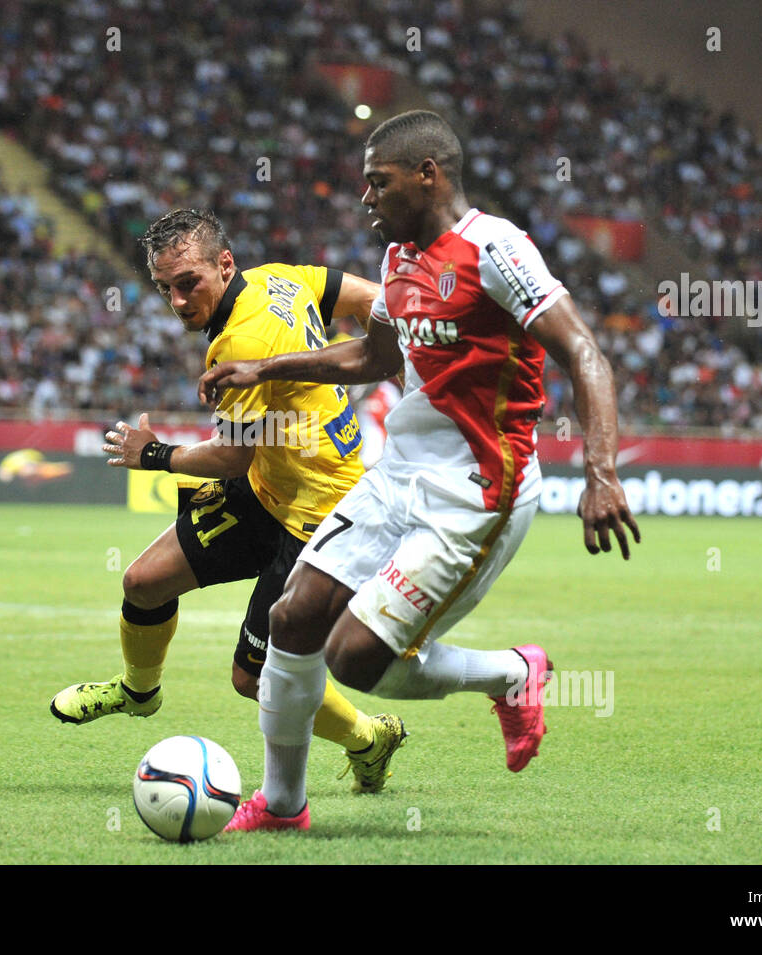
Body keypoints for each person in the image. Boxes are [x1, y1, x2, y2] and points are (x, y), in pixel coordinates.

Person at [199, 111, 641, 832]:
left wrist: (601, 472)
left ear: (428, 174)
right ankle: (283, 806)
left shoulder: (497, 249)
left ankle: (511, 672)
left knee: (355, 659)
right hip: (397, 472)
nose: (366, 199)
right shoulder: (397, 258)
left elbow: (585, 352)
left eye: (379, 182)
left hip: (475, 488)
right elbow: (371, 361)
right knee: (292, 616)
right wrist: (264, 365)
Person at [50, 208, 408, 793]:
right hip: (271, 487)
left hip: (318, 516)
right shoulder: (279, 280)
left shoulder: (243, 337)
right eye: (165, 287)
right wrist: (404, 347)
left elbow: (229, 457)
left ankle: (371, 739)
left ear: (224, 264)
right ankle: (139, 692)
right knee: (142, 583)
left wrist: (155, 455)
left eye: (188, 283)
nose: (177, 301)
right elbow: (375, 299)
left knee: (255, 676)